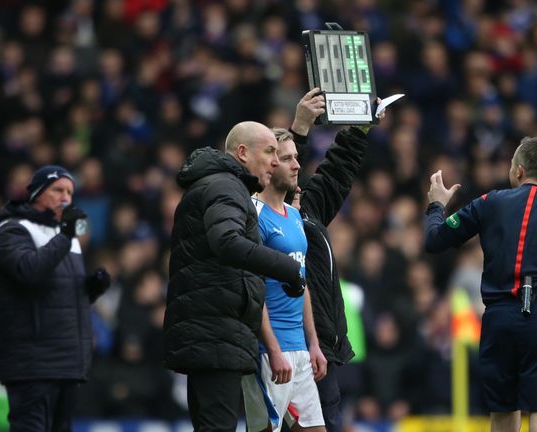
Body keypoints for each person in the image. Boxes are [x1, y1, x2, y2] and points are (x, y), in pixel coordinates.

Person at [423, 136, 537, 432]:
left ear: (518, 170)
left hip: (498, 320)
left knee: (503, 414)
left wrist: (437, 206)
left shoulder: (488, 203)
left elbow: (434, 240)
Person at [163, 121, 307, 431]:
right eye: (269, 151)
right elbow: (227, 242)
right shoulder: (226, 185)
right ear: (242, 152)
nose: (274, 160)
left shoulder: (216, 185)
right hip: (215, 330)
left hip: (211, 329)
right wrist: (287, 268)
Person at [287, 89, 384, 431]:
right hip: (292, 349)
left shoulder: (308, 208)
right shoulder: (267, 215)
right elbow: (281, 176)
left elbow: (336, 171)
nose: (298, 167)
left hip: (323, 349)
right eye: (288, 161)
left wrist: (358, 131)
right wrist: (299, 128)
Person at [0, 164, 111, 431]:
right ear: (37, 193)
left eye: (70, 191)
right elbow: (29, 272)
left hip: (66, 361)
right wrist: (66, 236)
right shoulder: (12, 230)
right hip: (31, 362)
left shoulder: (67, 236)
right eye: (58, 189)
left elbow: (58, 296)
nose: (66, 197)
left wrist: (91, 288)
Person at [242, 128, 328, 432]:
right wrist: (273, 348)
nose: (296, 165)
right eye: (287, 158)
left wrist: (313, 343)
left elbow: (300, 282)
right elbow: (254, 289)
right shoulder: (252, 214)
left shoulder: (293, 216)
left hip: (300, 350)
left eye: (296, 158)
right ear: (270, 163)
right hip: (268, 351)